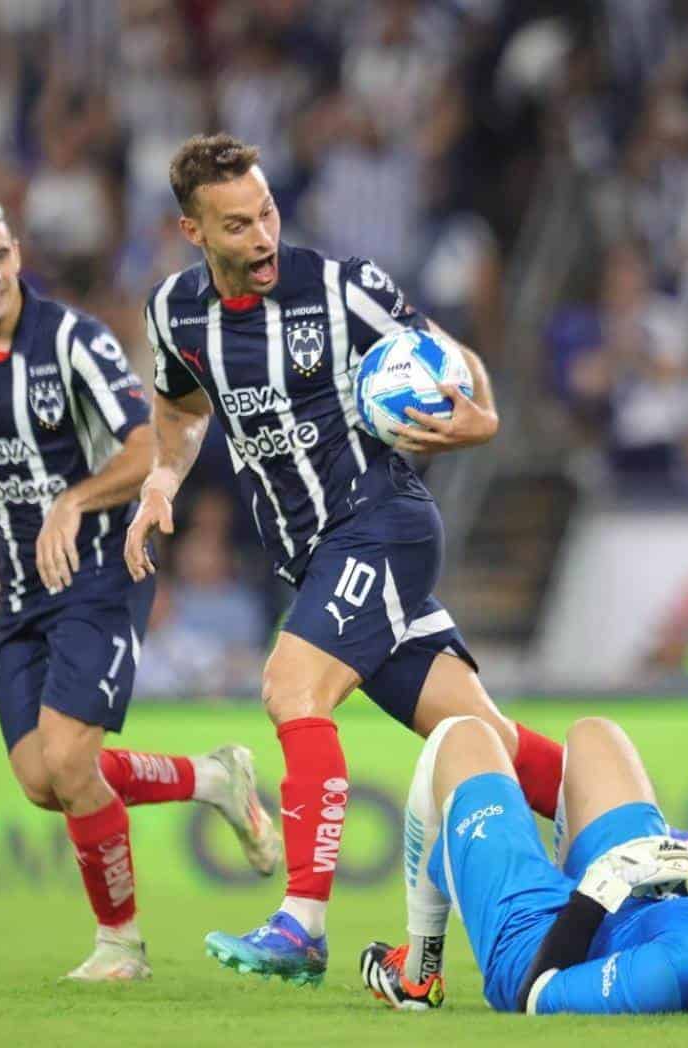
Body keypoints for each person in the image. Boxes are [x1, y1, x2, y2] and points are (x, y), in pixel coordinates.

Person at [123, 133, 567, 985]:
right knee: (483, 736)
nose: (260, 238)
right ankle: (636, 829)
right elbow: (178, 409)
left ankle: (303, 924)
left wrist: (482, 412)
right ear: (192, 231)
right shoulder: (174, 313)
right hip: (316, 555)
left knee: (290, 686)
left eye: (267, 215)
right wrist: (160, 483)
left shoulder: (339, 286)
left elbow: (446, 351)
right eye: (237, 226)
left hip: (382, 523)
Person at [0, 196, 280, 982]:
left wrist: (73, 500)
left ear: (18, 255)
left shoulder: (73, 340)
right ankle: (214, 778)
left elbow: (147, 446)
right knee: (45, 780)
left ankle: (123, 946)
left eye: (1, 255)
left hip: (100, 570)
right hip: (20, 583)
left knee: (72, 762)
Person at [360, 714, 688, 1015]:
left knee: (459, 735)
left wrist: (597, 889)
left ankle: (417, 976)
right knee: (594, 736)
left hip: (545, 943)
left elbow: (535, 996)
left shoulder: (673, 971)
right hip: (643, 904)